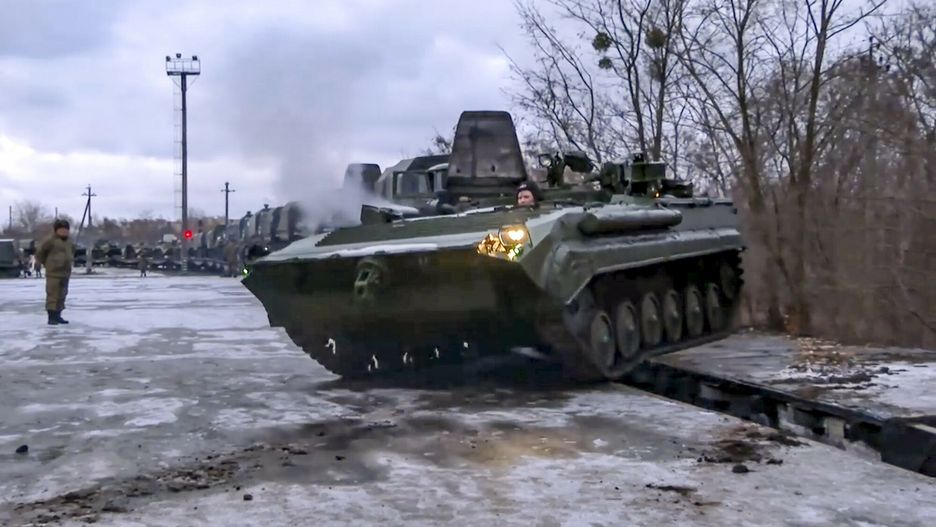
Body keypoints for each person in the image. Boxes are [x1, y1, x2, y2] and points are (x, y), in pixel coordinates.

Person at [35, 219, 75, 325]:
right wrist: (47, 264)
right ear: (56, 230)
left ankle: (58, 315)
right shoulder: (50, 241)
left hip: (65, 273)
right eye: (61, 229)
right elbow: (40, 253)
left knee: (62, 295)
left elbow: (72, 252)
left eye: (66, 230)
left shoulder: (69, 242)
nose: (64, 232)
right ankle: (51, 317)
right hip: (53, 273)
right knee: (53, 295)